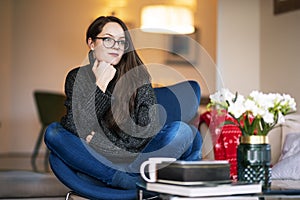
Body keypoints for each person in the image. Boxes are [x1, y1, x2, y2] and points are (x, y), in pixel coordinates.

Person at [44, 16, 202, 198]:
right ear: (92, 43)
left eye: (121, 41)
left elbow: (146, 131)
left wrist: (97, 140)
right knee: (53, 133)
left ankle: (120, 176)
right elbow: (73, 126)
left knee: (183, 131)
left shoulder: (138, 76)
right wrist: (100, 86)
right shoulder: (76, 77)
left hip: (139, 157)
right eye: (108, 39)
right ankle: (126, 180)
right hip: (104, 161)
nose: (116, 46)